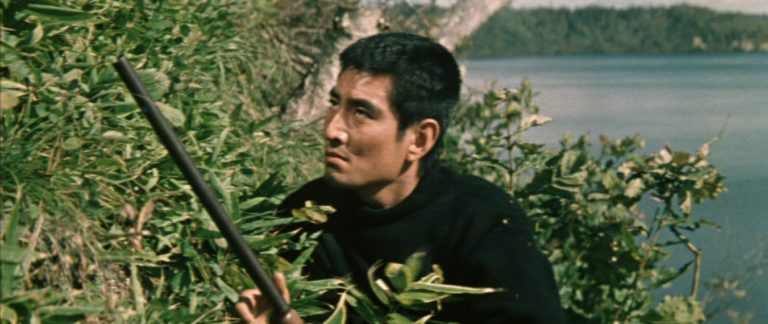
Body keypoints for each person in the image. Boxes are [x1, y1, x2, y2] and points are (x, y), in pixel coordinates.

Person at [236, 32, 564, 323]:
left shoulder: (483, 222)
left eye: (361, 113)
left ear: (419, 139)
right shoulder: (306, 213)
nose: (333, 129)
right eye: (334, 104)